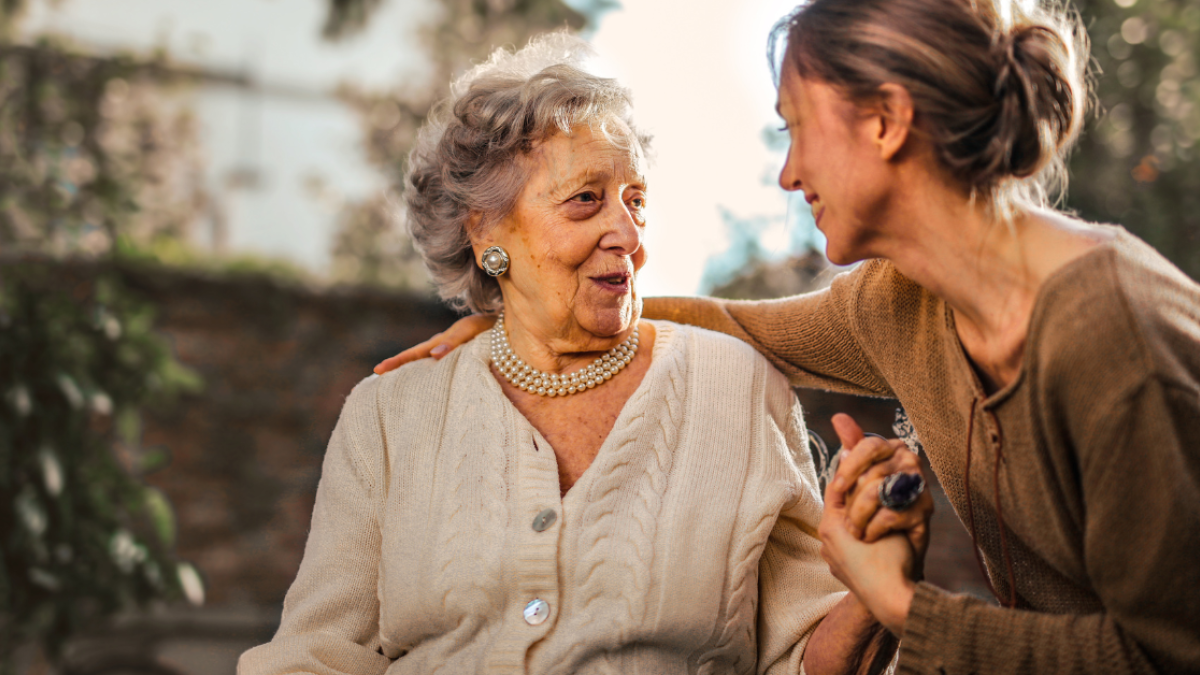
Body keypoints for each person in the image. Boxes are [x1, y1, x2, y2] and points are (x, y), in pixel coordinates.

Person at [376, 1, 1200, 673]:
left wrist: (902, 606)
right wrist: (519, 310)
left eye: (795, 128)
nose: (788, 172)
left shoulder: (1111, 336)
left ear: (885, 121)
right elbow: (733, 323)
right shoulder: (901, 303)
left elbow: (1167, 653)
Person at [239, 33, 920, 675]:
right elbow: (315, 654)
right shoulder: (390, 414)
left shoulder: (737, 388)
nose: (626, 232)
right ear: (485, 232)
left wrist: (874, 591)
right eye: (586, 200)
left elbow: (806, 657)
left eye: (636, 201)